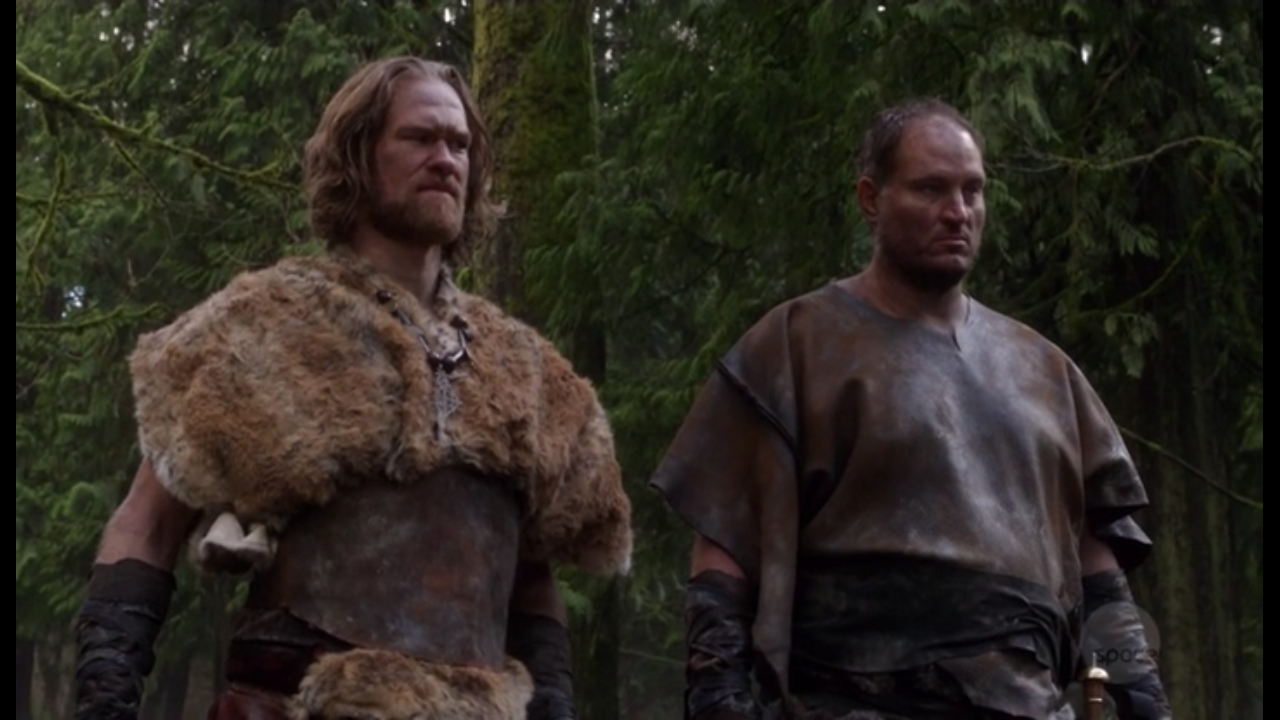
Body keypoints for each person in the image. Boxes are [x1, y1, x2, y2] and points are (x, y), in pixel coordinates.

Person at [72, 56, 633, 720]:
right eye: (419, 138)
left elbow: (528, 574)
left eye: (459, 145)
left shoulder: (524, 370)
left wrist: (555, 706)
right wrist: (104, 703)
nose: (445, 159)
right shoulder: (262, 327)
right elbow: (147, 526)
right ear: (357, 156)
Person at [650, 100, 1171, 719]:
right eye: (931, 189)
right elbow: (726, 553)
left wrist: (1144, 703)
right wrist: (717, 700)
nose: (958, 212)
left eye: (972, 191)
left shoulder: (1045, 372)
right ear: (871, 198)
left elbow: (1097, 570)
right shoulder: (795, 346)